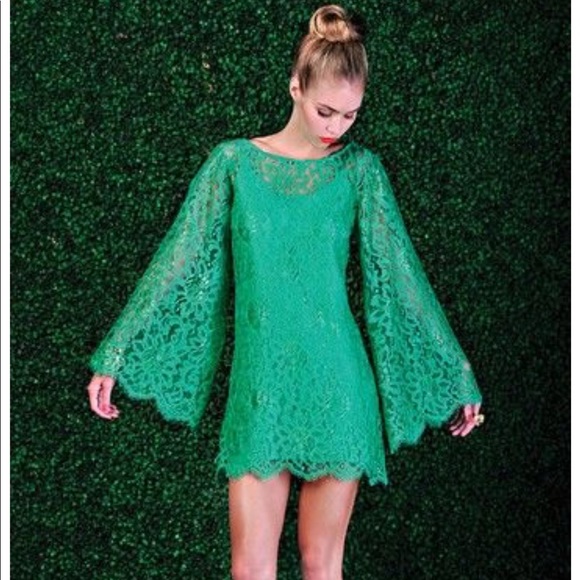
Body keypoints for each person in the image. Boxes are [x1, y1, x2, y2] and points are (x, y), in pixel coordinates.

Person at [87, 5, 484, 579]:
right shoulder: (233, 164)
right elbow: (180, 260)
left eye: (350, 115)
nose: (337, 127)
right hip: (261, 386)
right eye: (326, 110)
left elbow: (400, 277)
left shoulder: (360, 171)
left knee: (321, 565)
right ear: (295, 86)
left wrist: (456, 373)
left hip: (338, 384)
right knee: (250, 568)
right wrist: (117, 354)